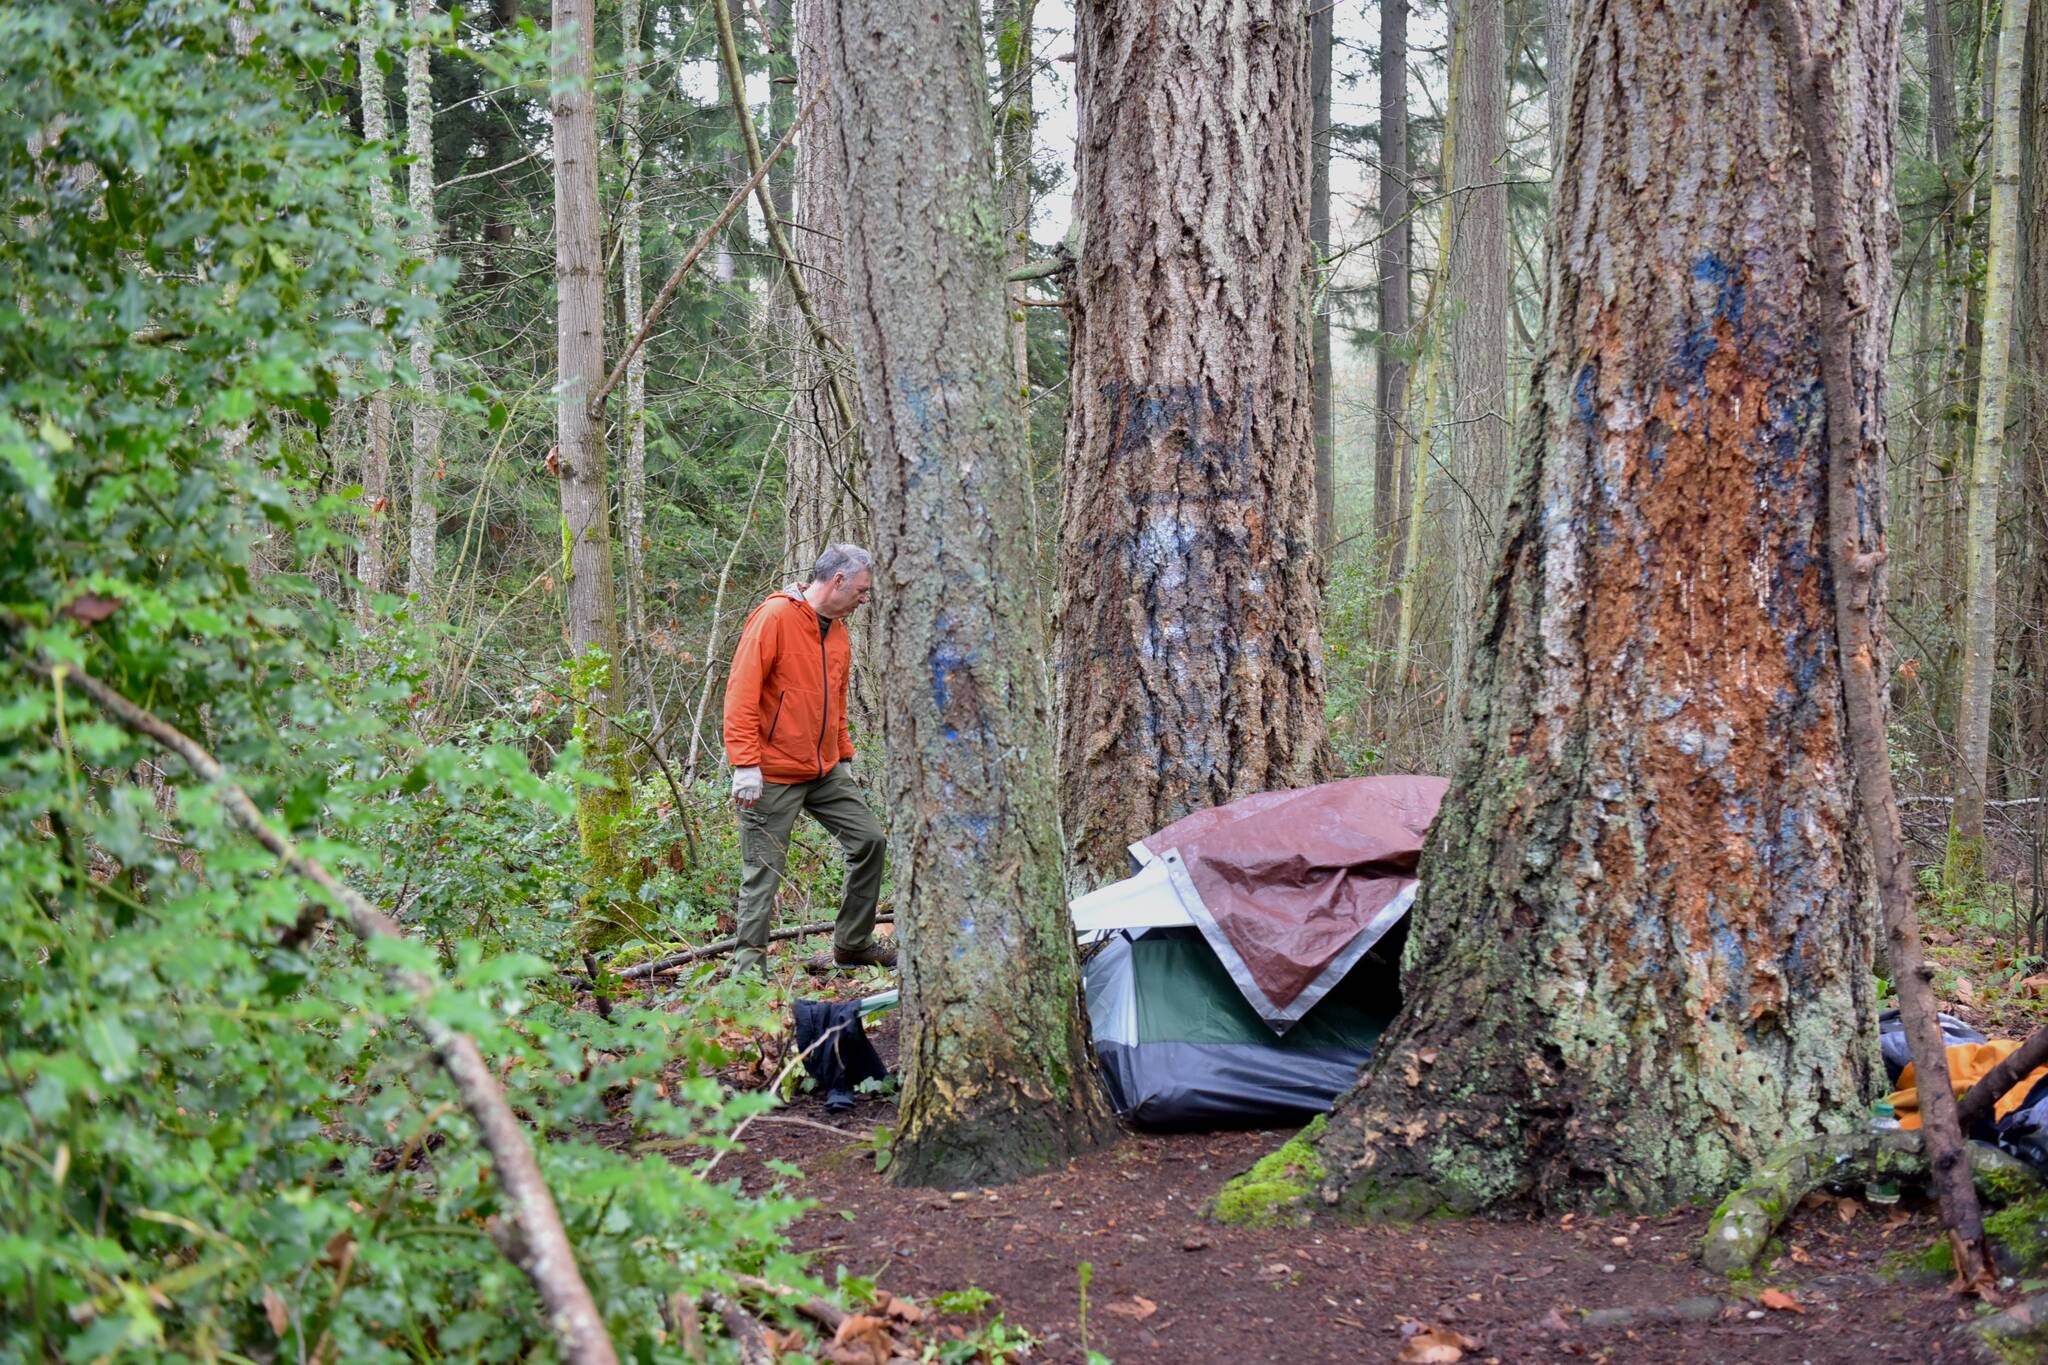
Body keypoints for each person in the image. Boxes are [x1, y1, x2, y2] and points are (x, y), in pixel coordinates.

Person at [721, 544, 894, 975]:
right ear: (837, 581)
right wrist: (745, 764)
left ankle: (852, 945)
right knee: (763, 870)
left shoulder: (836, 629)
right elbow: (741, 692)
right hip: (771, 772)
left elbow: (835, 699)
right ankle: (747, 975)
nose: (864, 599)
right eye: (860, 590)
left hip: (823, 771)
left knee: (869, 840)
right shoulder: (774, 617)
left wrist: (844, 755)